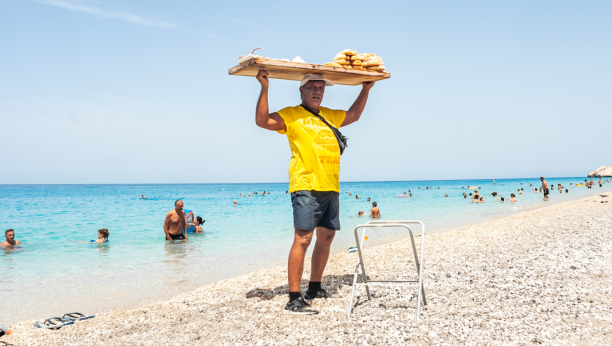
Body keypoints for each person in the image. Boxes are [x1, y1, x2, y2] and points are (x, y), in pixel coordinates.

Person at [254, 70, 375, 314]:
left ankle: (315, 287)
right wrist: (264, 87)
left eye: (321, 87)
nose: (317, 91)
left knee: (327, 237)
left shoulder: (330, 115)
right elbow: (262, 121)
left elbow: (353, 115)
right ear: (301, 90)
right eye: (312, 87)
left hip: (331, 185)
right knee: (304, 238)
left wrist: (366, 89)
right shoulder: (292, 114)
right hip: (306, 184)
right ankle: (294, 298)